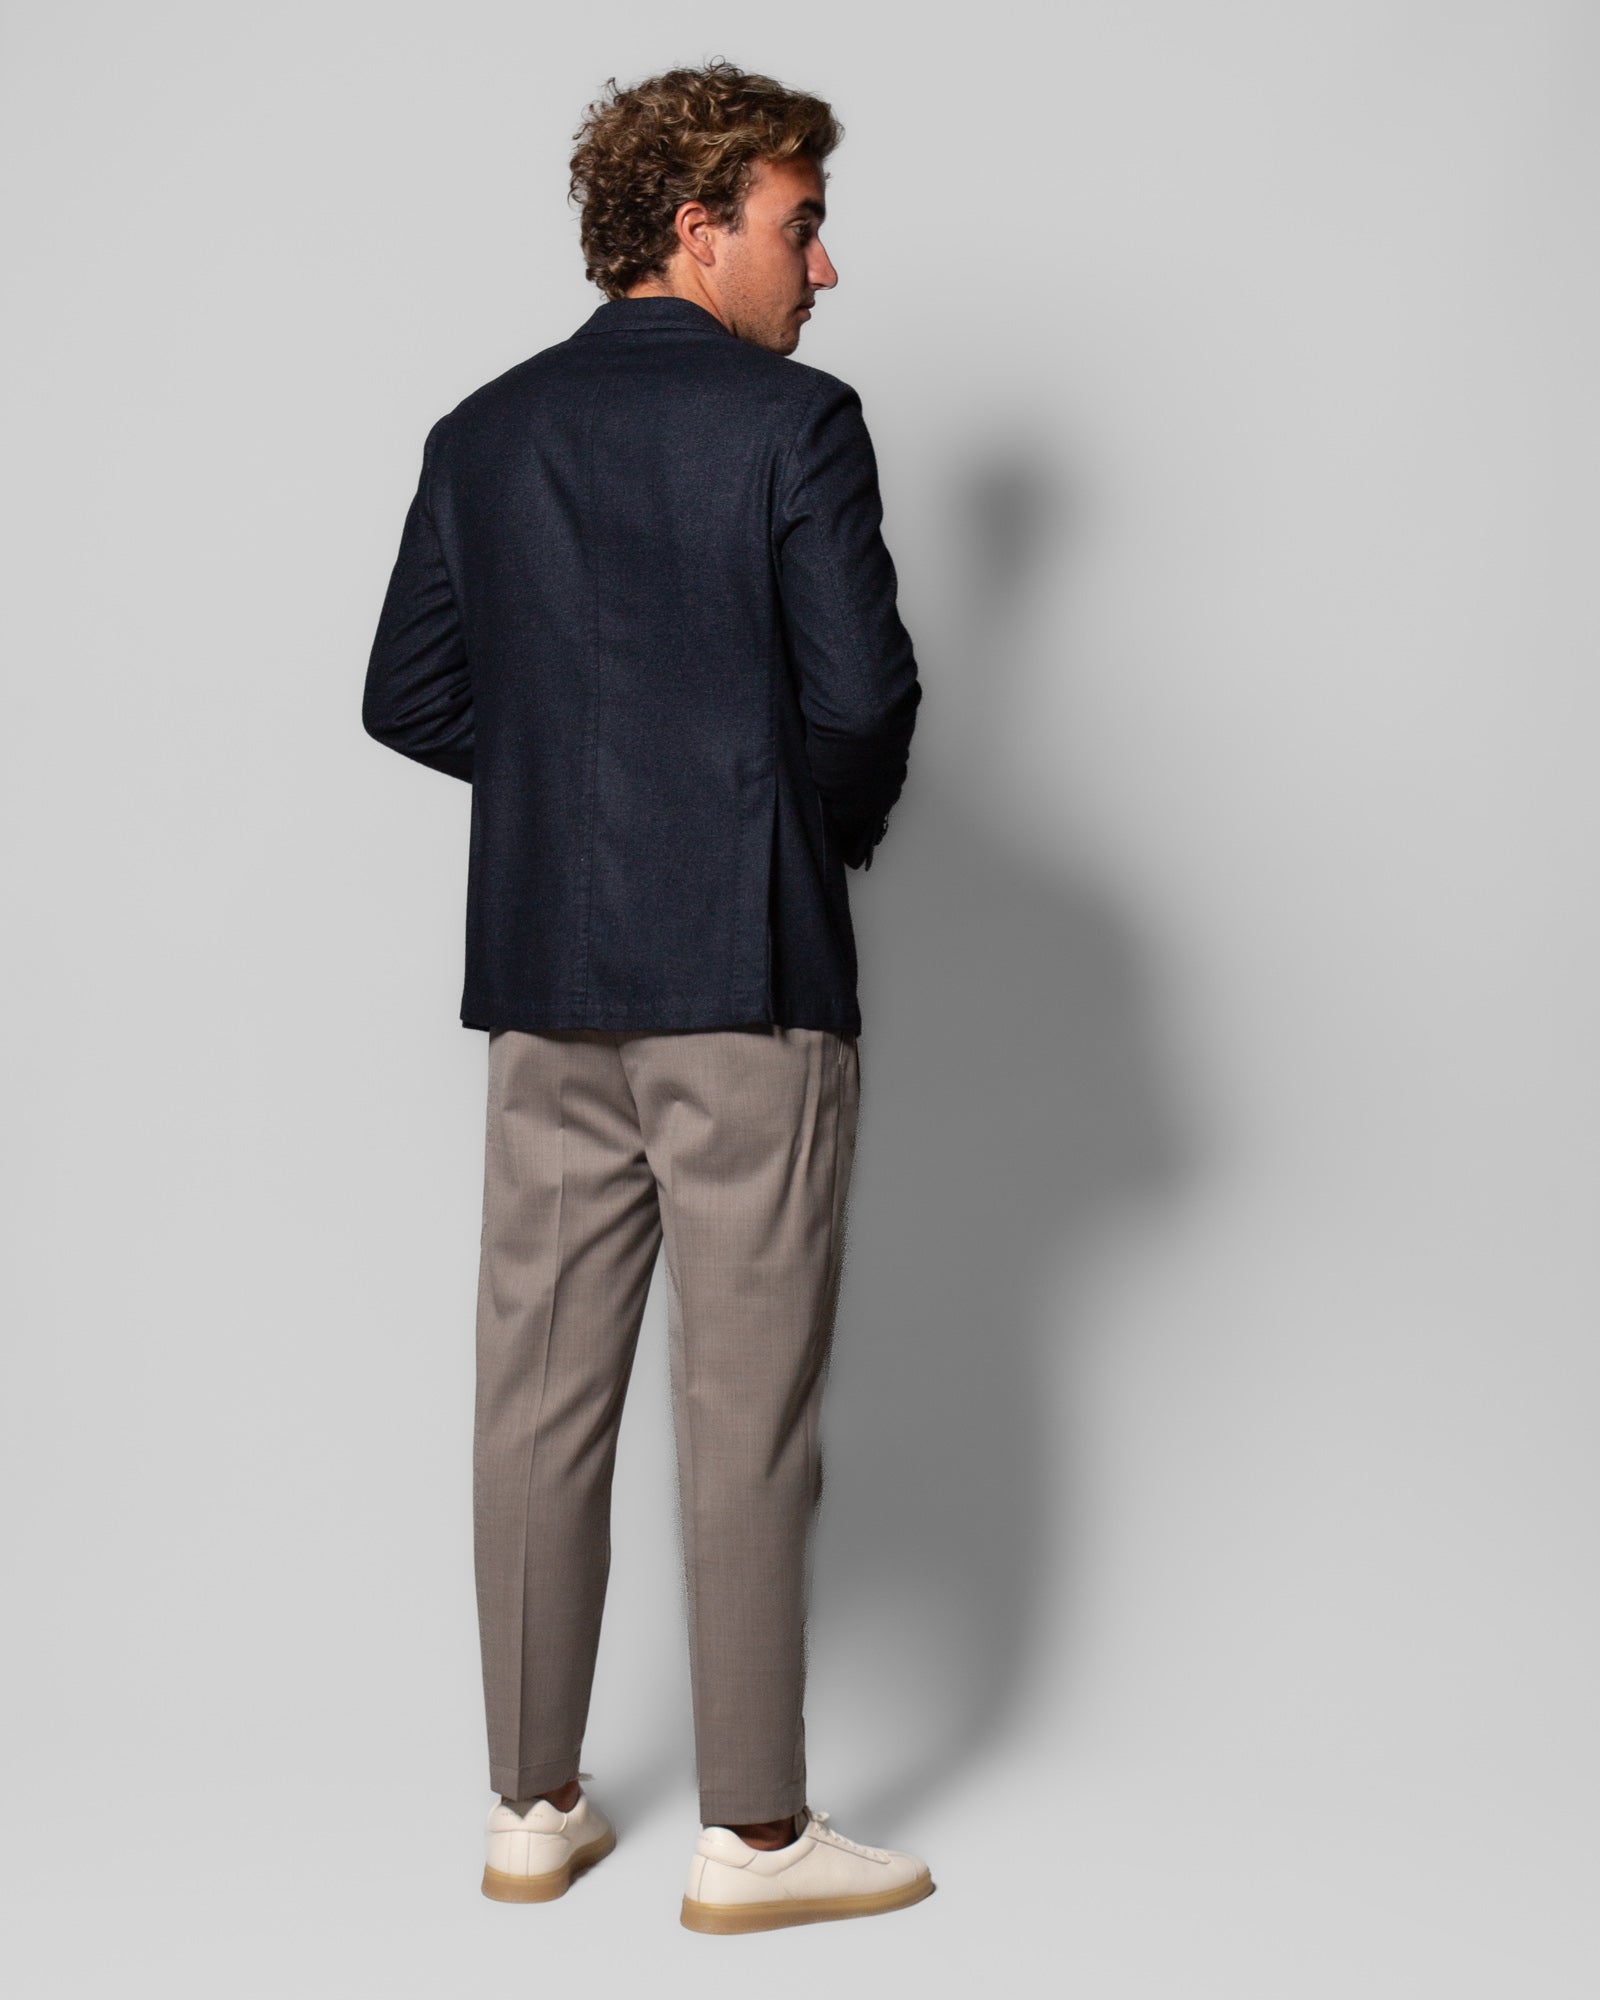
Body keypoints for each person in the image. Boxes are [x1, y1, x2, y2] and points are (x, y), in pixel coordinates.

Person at [361, 60, 929, 1933]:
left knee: (533, 1403)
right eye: (797, 225)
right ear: (697, 229)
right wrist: (779, 826)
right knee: (742, 1409)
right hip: (745, 981)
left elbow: (407, 694)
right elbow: (860, 703)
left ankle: (531, 1809)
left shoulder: (484, 431)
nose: (823, 268)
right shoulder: (797, 423)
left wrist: (573, 787)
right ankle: (753, 1841)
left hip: (548, 980)